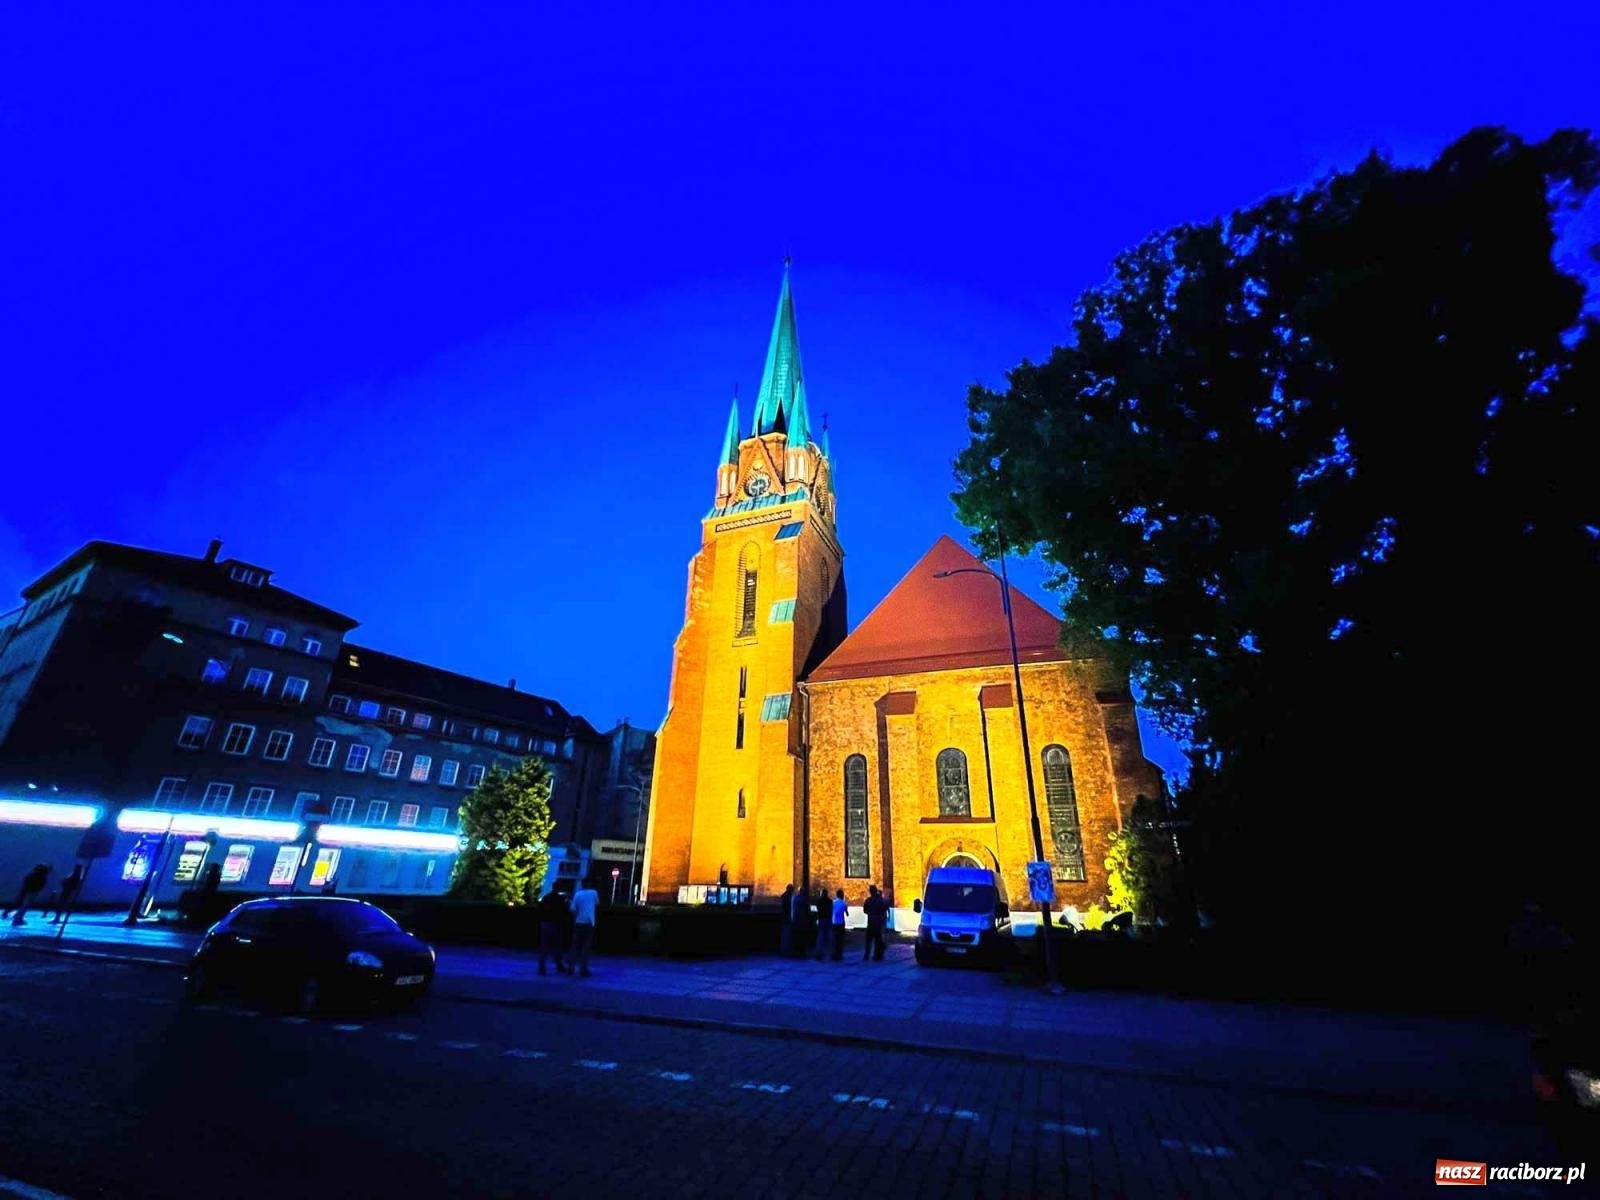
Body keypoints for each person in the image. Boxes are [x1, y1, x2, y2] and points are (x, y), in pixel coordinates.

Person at [569, 875, 599, 977]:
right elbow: (597, 905)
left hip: (578, 922)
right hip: (589, 922)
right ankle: (583, 969)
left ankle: (570, 967)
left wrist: (575, 920)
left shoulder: (577, 894)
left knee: (575, 946)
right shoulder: (594, 893)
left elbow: (573, 909)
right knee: (586, 946)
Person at [537, 887, 571, 976]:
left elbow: (540, 908)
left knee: (544, 946)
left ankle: (542, 967)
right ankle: (559, 965)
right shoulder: (560, 899)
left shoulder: (546, 897)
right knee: (556, 946)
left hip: (545, 923)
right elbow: (565, 912)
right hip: (556, 924)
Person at [862, 884, 888, 962]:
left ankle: (867, 955)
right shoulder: (881, 900)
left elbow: (865, 910)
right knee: (878, 939)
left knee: (868, 940)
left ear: (870, 891)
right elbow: (884, 911)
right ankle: (877, 955)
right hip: (879, 923)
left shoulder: (868, 900)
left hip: (871, 922)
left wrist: (871, 913)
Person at [792, 882, 815, 957]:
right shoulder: (803, 899)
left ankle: (797, 950)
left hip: (796, 920)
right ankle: (801, 951)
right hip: (802, 920)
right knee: (802, 937)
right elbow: (807, 910)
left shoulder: (794, 898)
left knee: (798, 936)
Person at [812, 887, 833, 961]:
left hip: (821, 919)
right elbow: (831, 910)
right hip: (828, 919)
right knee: (829, 936)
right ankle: (830, 953)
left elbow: (818, 909)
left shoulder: (819, 901)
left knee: (820, 936)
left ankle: (819, 953)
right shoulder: (830, 901)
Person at [830, 887, 848, 962]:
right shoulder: (844, 903)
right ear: (842, 895)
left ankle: (834, 954)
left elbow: (831, 911)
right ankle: (839, 954)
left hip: (834, 922)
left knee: (834, 939)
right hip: (841, 923)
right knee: (840, 939)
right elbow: (847, 914)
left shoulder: (833, 902)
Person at [779, 883, 796, 956]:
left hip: (786, 917)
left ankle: (786, 949)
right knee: (787, 934)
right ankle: (786, 949)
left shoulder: (785, 896)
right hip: (787, 917)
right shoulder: (788, 897)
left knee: (786, 934)